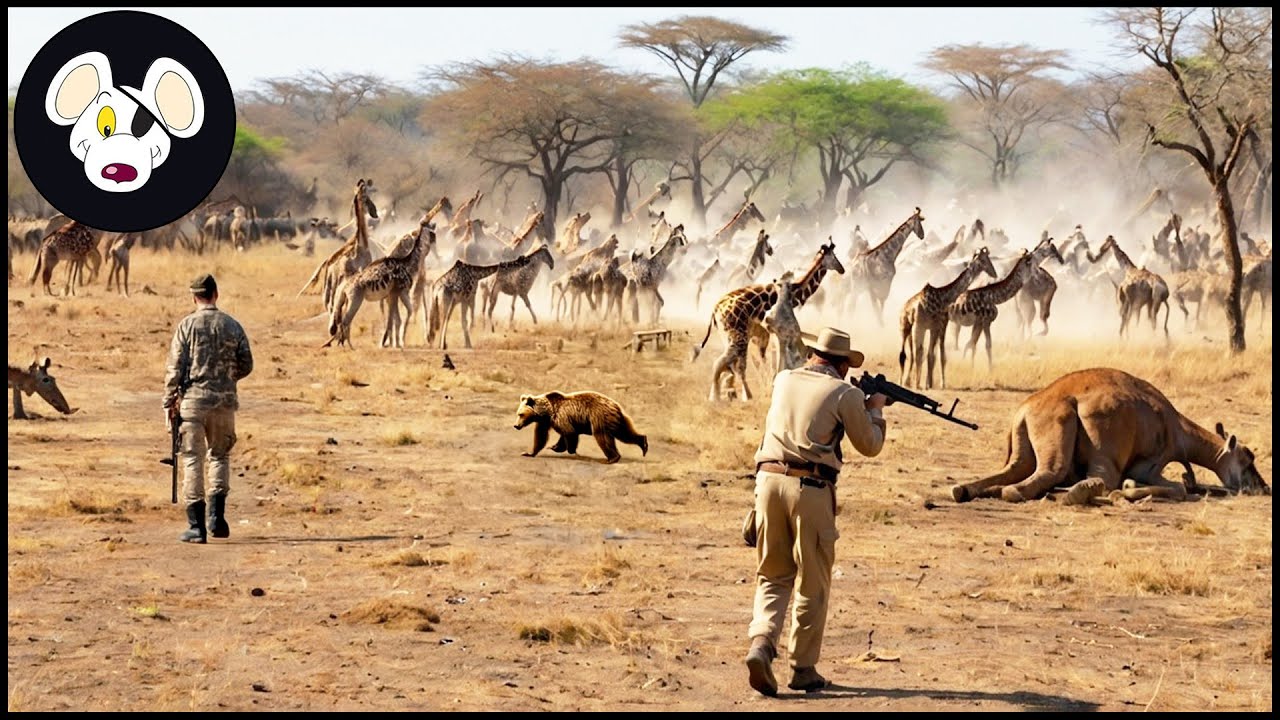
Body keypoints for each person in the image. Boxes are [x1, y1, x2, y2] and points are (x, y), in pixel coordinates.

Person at [744, 326, 888, 696]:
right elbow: (869, 445)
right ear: (842, 364)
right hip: (811, 490)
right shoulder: (845, 392)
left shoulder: (784, 379)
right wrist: (875, 411)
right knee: (812, 580)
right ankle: (803, 669)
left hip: (767, 483)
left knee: (772, 575)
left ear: (813, 356)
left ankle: (761, 644)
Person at [163, 273, 254, 544]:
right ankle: (217, 519)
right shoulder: (232, 325)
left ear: (194, 297)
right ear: (216, 294)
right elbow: (246, 363)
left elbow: (174, 369)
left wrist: (169, 402)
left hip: (192, 403)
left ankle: (196, 526)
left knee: (192, 459)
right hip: (224, 403)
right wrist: (226, 378)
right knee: (220, 457)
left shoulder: (186, 326)